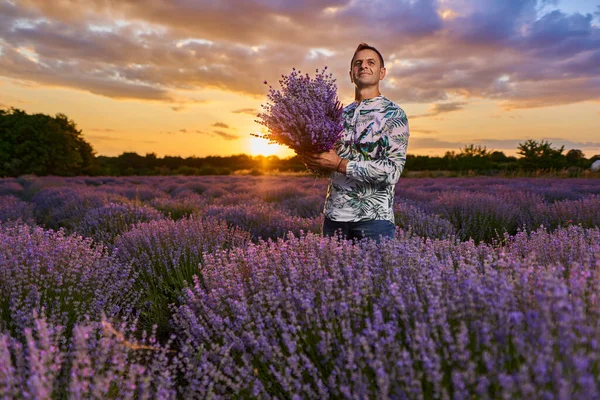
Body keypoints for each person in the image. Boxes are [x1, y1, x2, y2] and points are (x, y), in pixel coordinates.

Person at [301, 42, 410, 242]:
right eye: (358, 63)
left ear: (382, 73)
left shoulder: (394, 114)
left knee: (378, 274)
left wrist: (340, 164)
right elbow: (327, 162)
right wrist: (313, 159)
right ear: (351, 74)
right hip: (334, 218)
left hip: (373, 220)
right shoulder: (337, 115)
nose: (363, 66)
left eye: (371, 62)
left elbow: (392, 171)